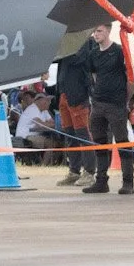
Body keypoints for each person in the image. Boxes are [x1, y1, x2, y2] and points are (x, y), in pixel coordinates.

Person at [80, 23, 134, 194]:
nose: (96, 34)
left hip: (116, 103)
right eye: (94, 31)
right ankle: (101, 180)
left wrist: (125, 99)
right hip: (98, 102)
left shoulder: (118, 51)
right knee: (99, 141)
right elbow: (94, 74)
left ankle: (128, 181)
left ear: (109, 31)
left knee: (122, 141)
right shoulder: (93, 53)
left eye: (99, 31)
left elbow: (130, 77)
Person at [52, 35, 96, 186]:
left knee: (83, 133)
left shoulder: (85, 41)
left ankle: (89, 172)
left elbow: (78, 59)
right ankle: (74, 171)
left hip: (78, 94)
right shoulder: (67, 40)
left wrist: (63, 50)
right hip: (64, 93)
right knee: (69, 134)